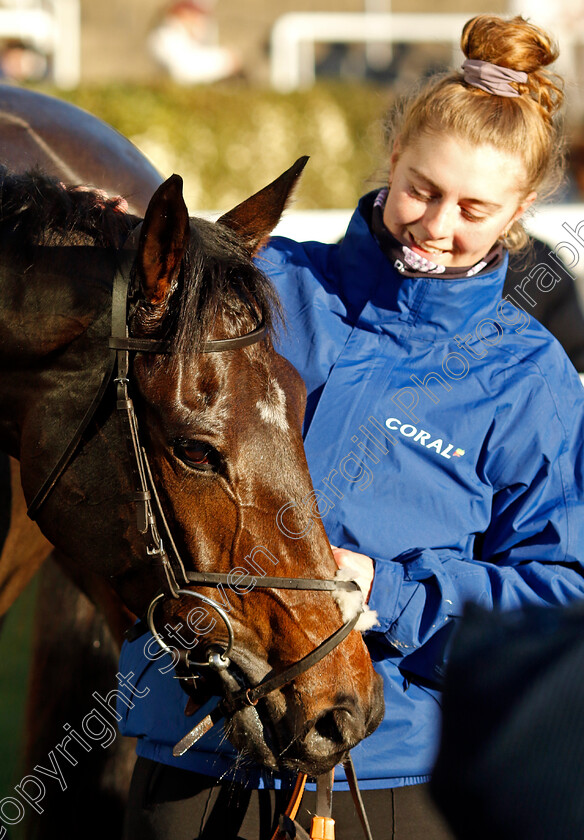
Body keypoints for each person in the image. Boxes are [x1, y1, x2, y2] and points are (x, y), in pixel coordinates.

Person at [117, 14, 584, 840]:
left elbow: (559, 600)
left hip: (391, 769)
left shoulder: (530, 377)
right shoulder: (262, 287)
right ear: (392, 161)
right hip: (193, 746)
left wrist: (393, 596)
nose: (437, 227)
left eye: (474, 208)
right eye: (421, 190)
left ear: (520, 212)